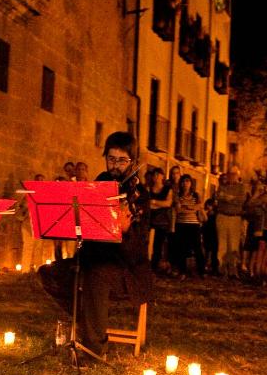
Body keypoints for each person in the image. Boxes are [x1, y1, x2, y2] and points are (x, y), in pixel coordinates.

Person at [39, 132, 151, 355]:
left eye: (122, 160)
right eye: (111, 159)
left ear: (133, 162)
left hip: (126, 271)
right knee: (49, 272)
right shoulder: (99, 182)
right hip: (91, 260)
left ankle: (94, 349)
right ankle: (89, 323)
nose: (115, 166)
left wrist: (126, 231)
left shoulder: (140, 195)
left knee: (96, 274)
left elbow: (138, 250)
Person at [214, 164, 248, 278]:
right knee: (222, 244)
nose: (231, 176)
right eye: (230, 173)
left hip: (235, 218)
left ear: (238, 175)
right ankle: (222, 268)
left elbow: (241, 200)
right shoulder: (222, 186)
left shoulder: (242, 187)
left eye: (234, 173)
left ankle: (233, 269)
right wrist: (230, 198)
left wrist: (228, 198)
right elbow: (219, 197)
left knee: (233, 245)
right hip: (222, 216)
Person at [172, 174, 205, 277]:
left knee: (197, 248)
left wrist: (186, 207)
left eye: (187, 181)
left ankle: (201, 271)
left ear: (191, 183)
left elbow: (199, 207)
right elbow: (178, 210)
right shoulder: (178, 195)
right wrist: (191, 208)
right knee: (181, 248)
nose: (185, 184)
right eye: (183, 181)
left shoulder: (196, 195)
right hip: (181, 224)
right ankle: (183, 271)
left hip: (194, 225)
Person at [146, 167, 173, 272]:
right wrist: (159, 204)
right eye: (155, 175)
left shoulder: (167, 189)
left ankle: (154, 266)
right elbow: (147, 204)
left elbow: (168, 203)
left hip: (162, 221)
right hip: (150, 220)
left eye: (159, 174)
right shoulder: (148, 189)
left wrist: (154, 202)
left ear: (162, 176)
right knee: (147, 243)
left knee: (158, 245)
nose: (156, 177)